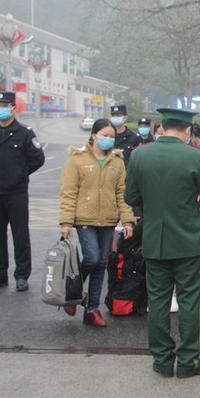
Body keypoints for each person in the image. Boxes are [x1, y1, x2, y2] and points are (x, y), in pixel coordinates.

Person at [124, 107, 200, 379]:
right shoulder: (194, 156)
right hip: (188, 240)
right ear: (188, 130)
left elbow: (131, 197)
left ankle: (162, 360)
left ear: (162, 128)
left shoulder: (139, 155)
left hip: (155, 239)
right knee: (190, 301)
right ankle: (188, 360)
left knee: (157, 301)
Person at [59, 118, 136, 327]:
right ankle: (71, 291)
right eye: (104, 135)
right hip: (84, 219)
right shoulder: (77, 159)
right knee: (92, 259)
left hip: (109, 220)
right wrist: (66, 221)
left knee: (102, 263)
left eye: (112, 136)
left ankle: (92, 308)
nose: (108, 140)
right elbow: (68, 192)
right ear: (94, 135)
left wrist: (127, 220)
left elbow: (122, 194)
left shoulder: (117, 162)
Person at [0, 91, 45, 292]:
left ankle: (22, 275)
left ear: (13, 108)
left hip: (16, 193)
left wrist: (20, 174)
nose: (0, 108)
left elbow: (37, 159)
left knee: (20, 235)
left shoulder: (24, 133)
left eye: (4, 105)